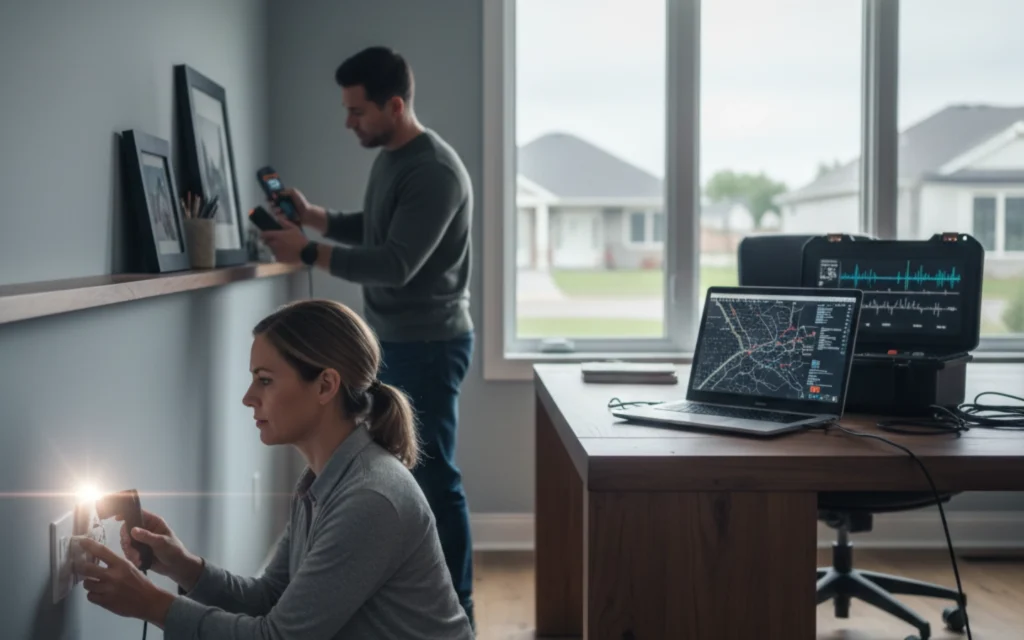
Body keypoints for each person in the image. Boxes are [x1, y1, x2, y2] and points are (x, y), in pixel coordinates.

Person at [76, 299, 475, 639]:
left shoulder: (369, 499)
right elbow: (271, 598)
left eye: (265, 380)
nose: (249, 398)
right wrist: (183, 566)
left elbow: (277, 637)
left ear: (325, 386)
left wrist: (152, 605)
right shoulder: (321, 482)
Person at [259, 45, 476, 623]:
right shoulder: (394, 158)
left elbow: (396, 260)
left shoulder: (432, 171)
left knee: (432, 475)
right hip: (400, 337)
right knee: (403, 468)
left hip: (429, 342)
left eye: (358, 112)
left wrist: (307, 249)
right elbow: (375, 227)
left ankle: (455, 607)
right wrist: (316, 217)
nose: (348, 122)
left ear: (395, 105)